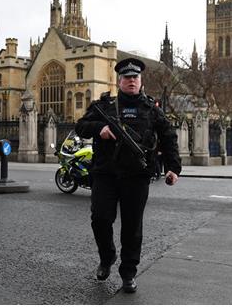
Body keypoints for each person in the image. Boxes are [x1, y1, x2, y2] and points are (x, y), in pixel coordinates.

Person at [75, 58, 181, 293]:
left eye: (135, 77)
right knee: (100, 219)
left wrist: (173, 167)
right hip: (106, 173)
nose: (131, 81)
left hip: (137, 175)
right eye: (127, 77)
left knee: (132, 227)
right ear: (119, 81)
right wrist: (98, 129)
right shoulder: (104, 106)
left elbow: (168, 136)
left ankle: (128, 273)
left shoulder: (151, 109)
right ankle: (107, 257)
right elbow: (80, 125)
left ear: (140, 81)